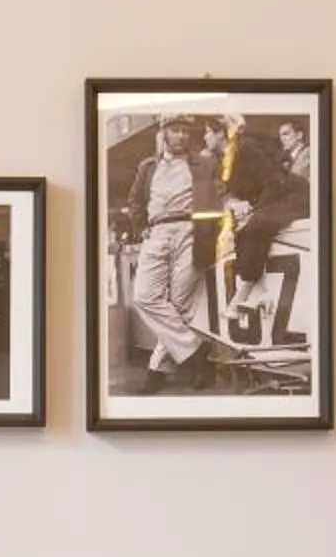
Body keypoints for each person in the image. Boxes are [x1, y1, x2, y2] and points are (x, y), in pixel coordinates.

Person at [113, 115, 220, 391]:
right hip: (157, 231)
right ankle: (197, 353)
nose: (181, 136)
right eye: (175, 130)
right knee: (144, 297)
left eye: (185, 131)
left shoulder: (204, 163)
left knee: (179, 304)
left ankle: (157, 371)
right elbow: (135, 201)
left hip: (190, 230)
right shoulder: (148, 166)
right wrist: (140, 229)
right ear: (164, 133)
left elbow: (218, 196)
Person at [216, 113, 312, 341]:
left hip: (295, 197)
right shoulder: (243, 156)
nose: (283, 139)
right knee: (245, 231)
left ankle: (244, 293)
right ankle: (258, 290)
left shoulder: (248, 149)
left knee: (257, 225)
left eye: (287, 134)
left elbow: (276, 181)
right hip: (281, 197)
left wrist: (256, 208)